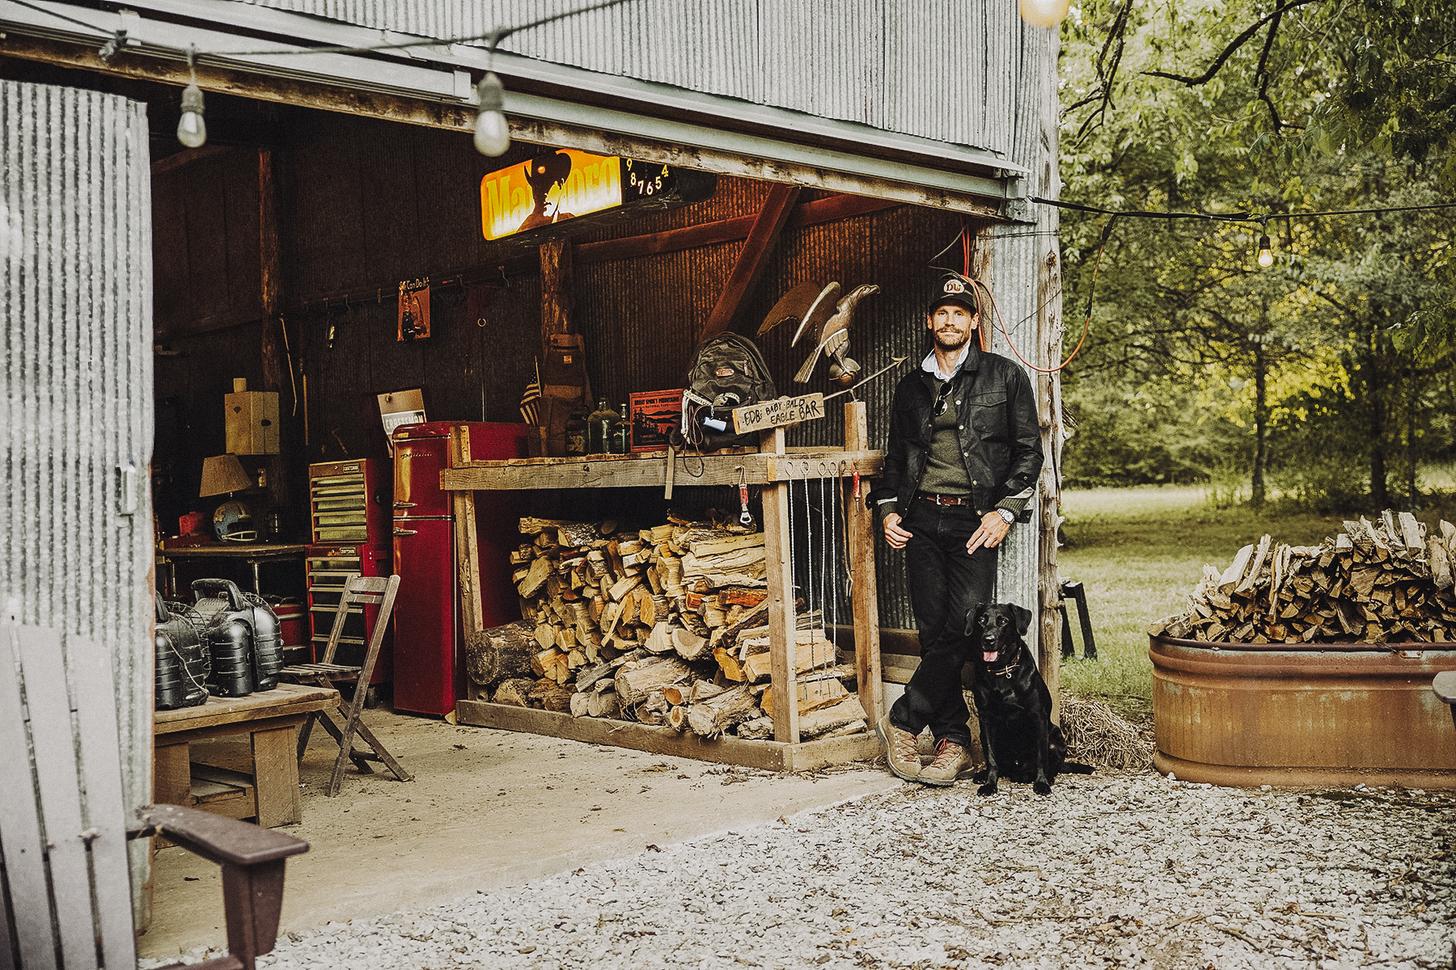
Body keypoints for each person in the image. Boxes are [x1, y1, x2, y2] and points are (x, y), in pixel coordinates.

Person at [869, 274, 1043, 786]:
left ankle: (904, 718)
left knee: (963, 628)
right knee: (931, 630)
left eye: (959, 313)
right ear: (930, 321)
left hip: (975, 520)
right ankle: (953, 740)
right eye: (941, 312)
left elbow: (1028, 450)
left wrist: (1004, 511)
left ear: (972, 322)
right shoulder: (910, 385)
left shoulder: (1004, 376)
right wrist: (888, 511)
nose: (949, 321)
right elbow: (898, 455)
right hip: (920, 518)